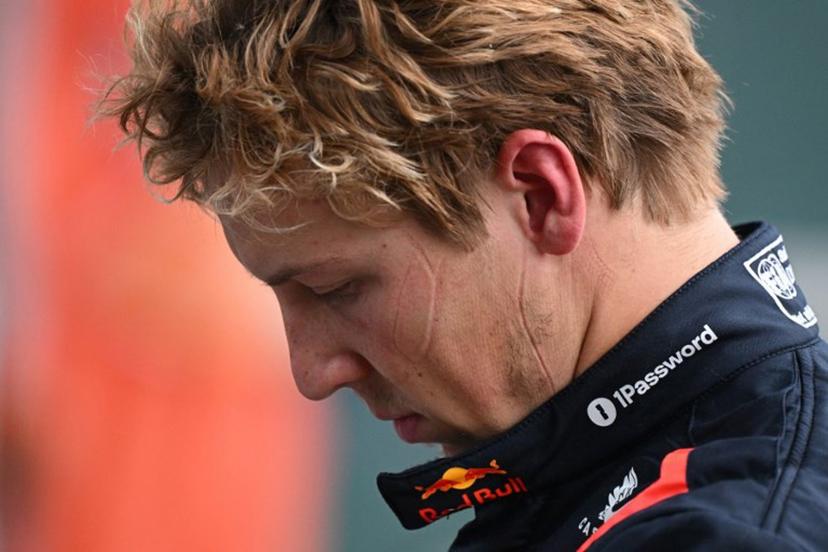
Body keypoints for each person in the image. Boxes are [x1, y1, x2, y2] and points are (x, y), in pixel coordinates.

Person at [100, 1, 828, 550]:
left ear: (541, 195)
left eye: (335, 289)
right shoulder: (583, 472)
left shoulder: (733, 526)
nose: (313, 372)